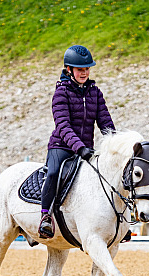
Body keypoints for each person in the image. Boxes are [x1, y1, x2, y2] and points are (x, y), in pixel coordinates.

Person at [38, 45, 116, 239]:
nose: (84, 73)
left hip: (86, 148)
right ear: (68, 70)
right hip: (62, 146)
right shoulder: (61, 93)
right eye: (80, 69)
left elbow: (105, 121)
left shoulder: (95, 93)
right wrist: (79, 148)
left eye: (87, 69)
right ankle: (45, 216)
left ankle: (116, 221)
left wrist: (115, 144)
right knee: (54, 173)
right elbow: (63, 126)